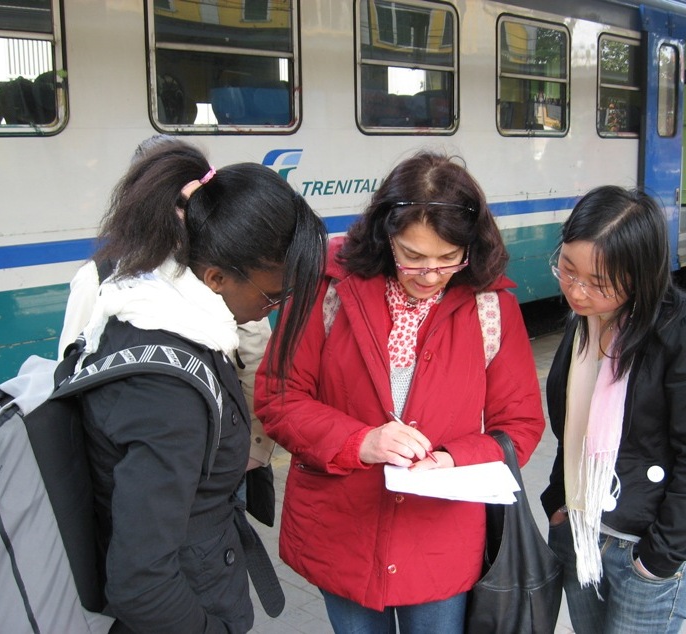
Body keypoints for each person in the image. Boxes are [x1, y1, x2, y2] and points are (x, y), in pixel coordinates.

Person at [254, 150, 546, 632]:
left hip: (439, 539)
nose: (430, 276)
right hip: (343, 532)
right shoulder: (328, 288)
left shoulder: (492, 307)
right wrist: (359, 442)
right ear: (385, 236)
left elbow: (520, 426)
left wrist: (453, 458)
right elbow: (279, 397)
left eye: (449, 259)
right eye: (413, 257)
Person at [76, 139, 327, 633]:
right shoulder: (167, 394)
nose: (274, 308)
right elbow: (141, 582)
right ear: (215, 277)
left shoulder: (166, 316)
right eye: (274, 296)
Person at [540, 185, 686, 633]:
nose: (577, 292)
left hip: (644, 546)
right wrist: (558, 503)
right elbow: (573, 428)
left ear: (641, 276)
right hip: (582, 532)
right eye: (567, 269)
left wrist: (660, 557)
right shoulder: (583, 323)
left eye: (598, 284)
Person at [58, 135, 276, 473]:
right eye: (176, 200)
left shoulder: (222, 265)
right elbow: (71, 376)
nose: (186, 214)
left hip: (220, 456)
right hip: (133, 463)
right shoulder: (98, 279)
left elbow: (256, 356)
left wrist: (252, 451)